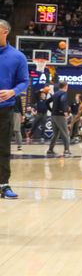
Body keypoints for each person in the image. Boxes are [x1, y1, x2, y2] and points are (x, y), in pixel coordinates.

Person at [0, 19, 29, 199]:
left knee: (2, 148)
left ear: (5, 32)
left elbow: (24, 82)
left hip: (4, 110)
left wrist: (12, 91)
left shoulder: (17, 56)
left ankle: (3, 185)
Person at [46, 82, 71, 157]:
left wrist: (51, 110)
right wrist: (64, 111)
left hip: (53, 115)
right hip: (60, 116)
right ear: (65, 86)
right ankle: (66, 150)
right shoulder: (63, 93)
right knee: (65, 133)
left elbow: (47, 102)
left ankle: (50, 150)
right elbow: (62, 101)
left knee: (56, 134)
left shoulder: (55, 94)